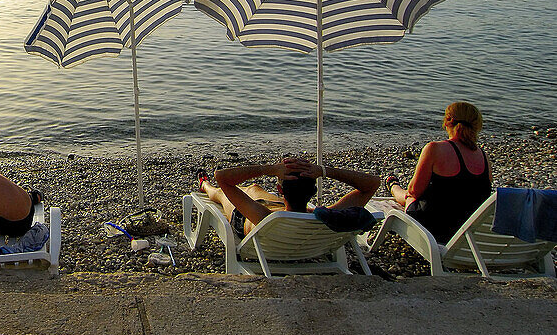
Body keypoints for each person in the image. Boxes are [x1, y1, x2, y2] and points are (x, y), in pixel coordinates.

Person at [384, 101, 491, 244]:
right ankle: (394, 187)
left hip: (434, 229)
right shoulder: (483, 156)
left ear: (447, 121)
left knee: (410, 196)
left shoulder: (435, 149)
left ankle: (393, 187)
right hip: (467, 232)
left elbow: (414, 191)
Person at [198, 157, 379, 239]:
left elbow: (222, 177)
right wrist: (325, 171)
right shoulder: (326, 217)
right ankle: (207, 186)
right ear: (313, 192)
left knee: (221, 194)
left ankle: (204, 185)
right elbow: (372, 185)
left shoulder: (264, 217)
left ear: (280, 189)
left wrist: (269, 169)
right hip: (284, 211)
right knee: (255, 189)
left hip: (247, 219)